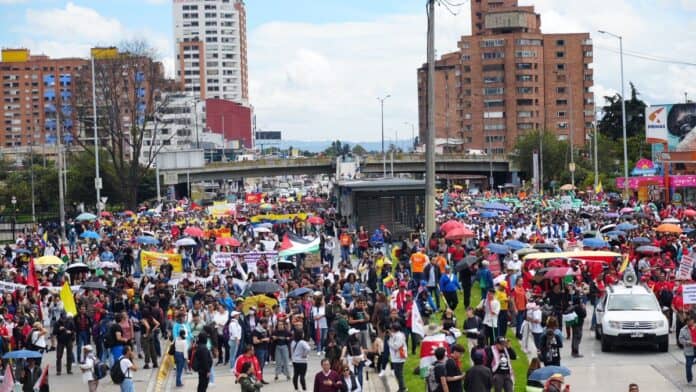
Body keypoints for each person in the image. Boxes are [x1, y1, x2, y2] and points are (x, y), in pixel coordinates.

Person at [387, 322, 407, 392]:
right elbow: (394, 337)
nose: (391, 329)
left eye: (392, 328)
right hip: (396, 357)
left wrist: (389, 343)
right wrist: (391, 335)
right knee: (397, 373)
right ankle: (402, 387)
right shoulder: (397, 334)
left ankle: (402, 388)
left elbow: (396, 346)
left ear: (394, 329)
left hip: (399, 357)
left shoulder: (399, 336)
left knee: (399, 373)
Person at [55, 311, 76, 375]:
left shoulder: (70, 322)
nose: (63, 319)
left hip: (69, 340)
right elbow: (54, 332)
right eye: (62, 318)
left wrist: (71, 332)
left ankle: (69, 370)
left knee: (69, 355)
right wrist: (59, 329)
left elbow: (74, 330)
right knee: (59, 356)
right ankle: (58, 370)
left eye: (65, 317)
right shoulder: (57, 323)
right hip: (60, 341)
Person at [679, 316, 696, 385]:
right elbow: (680, 340)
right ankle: (689, 380)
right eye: (688, 321)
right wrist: (689, 342)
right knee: (688, 365)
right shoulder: (683, 330)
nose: (690, 322)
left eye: (691, 320)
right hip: (689, 350)